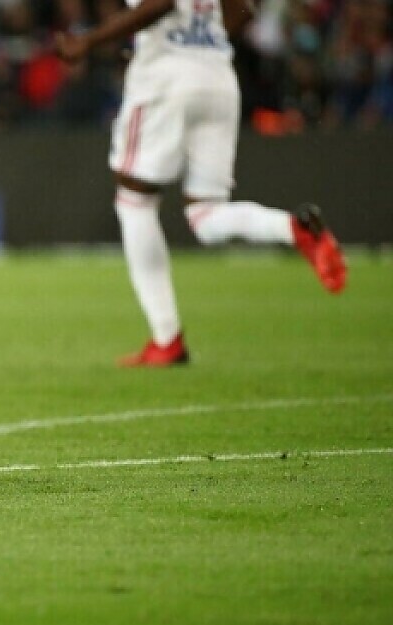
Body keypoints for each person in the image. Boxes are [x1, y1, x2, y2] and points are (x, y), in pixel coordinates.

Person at [56, 0, 347, 367]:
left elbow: (161, 3)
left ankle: (166, 339)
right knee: (206, 215)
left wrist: (90, 40)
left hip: (166, 78)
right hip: (217, 77)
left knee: (135, 201)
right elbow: (243, 10)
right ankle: (293, 228)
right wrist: (199, 45)